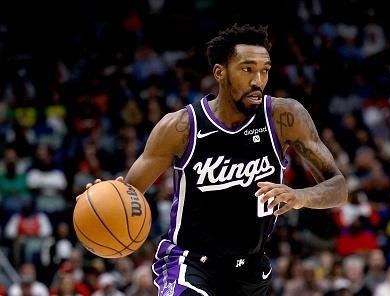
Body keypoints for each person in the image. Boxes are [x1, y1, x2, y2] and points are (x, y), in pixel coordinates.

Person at [85, 24, 348, 295]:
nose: (258, 79)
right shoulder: (180, 127)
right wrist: (105, 199)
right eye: (247, 69)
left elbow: (338, 188)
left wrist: (300, 197)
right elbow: (129, 195)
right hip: (189, 263)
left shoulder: (285, 118)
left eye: (265, 70)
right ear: (220, 73)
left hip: (250, 270)